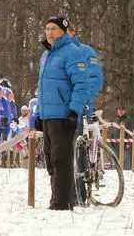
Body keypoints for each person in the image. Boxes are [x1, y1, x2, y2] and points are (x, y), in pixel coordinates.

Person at [35, 14, 95, 210]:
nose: (50, 33)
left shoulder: (72, 52)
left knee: (61, 159)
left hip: (63, 114)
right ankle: (59, 198)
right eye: (47, 29)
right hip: (48, 115)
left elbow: (82, 84)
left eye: (54, 29)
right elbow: (43, 89)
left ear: (63, 31)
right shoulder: (45, 55)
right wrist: (38, 113)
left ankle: (61, 203)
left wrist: (74, 111)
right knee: (50, 160)